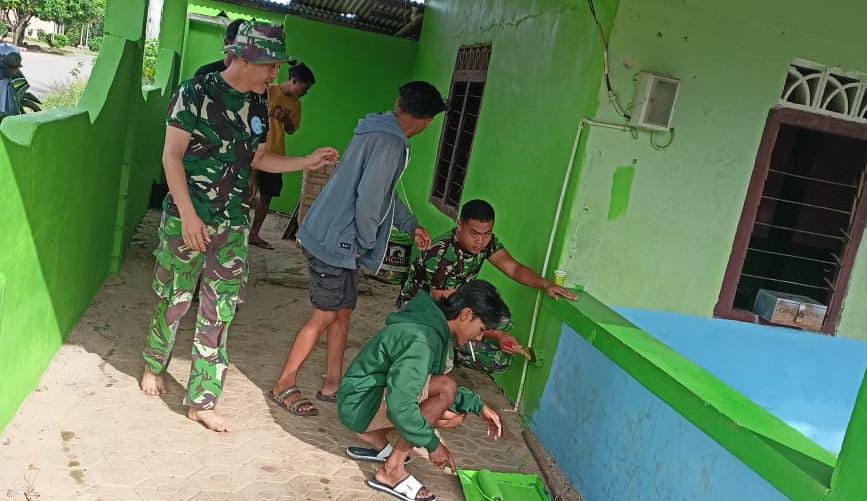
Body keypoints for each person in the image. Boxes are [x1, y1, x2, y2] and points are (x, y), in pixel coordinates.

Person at [138, 22, 339, 433]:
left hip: (231, 224)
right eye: (270, 65)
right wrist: (188, 215)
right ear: (244, 58)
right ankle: (154, 363)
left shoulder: (261, 103)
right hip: (187, 219)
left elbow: (259, 159)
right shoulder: (195, 92)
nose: (276, 74)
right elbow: (171, 156)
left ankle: (202, 400)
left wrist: (305, 162)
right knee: (174, 299)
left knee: (220, 311)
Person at [269, 81, 447, 417]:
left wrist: (410, 224)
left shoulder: (375, 129)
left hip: (336, 236)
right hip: (335, 240)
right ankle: (284, 383)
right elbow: (369, 200)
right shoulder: (390, 143)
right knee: (325, 314)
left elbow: (382, 192)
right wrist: (365, 243)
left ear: (398, 104)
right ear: (426, 121)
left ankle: (333, 384)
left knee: (342, 311)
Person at [338, 280, 508, 501]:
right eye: (481, 330)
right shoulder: (422, 339)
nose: (478, 338)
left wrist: (478, 405)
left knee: (452, 414)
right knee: (445, 390)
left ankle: (377, 439)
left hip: (362, 399)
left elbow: (423, 384)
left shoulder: (432, 326)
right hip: (358, 406)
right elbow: (402, 404)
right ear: (466, 314)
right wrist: (433, 445)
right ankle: (391, 470)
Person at [397, 199, 577, 373]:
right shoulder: (441, 256)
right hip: (425, 313)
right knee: (496, 357)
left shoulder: (486, 244)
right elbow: (450, 311)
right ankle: (443, 352)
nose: (480, 241)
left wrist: (546, 285)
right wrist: (497, 335)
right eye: (474, 233)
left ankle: (452, 349)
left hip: (458, 307)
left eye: (486, 234)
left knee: (503, 323)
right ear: (459, 225)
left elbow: (514, 269)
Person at [249, 63, 316, 249]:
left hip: (276, 155)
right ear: (294, 81)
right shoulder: (268, 91)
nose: (305, 92)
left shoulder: (295, 104)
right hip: (253, 150)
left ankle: (254, 234)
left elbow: (291, 130)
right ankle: (236, 231)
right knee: (245, 192)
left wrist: (285, 119)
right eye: (305, 87)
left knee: (266, 196)